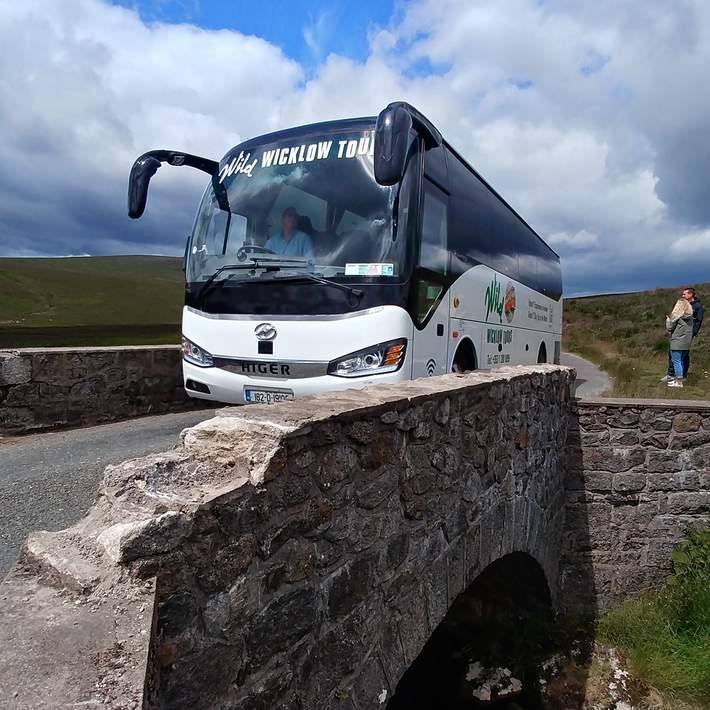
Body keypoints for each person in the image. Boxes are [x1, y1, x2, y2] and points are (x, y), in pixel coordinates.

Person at [662, 287, 704, 381]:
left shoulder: (697, 307)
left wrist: (692, 333)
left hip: (687, 334)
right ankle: (673, 374)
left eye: (685, 294)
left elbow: (698, 321)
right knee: (674, 353)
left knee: (682, 354)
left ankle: (680, 376)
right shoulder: (684, 305)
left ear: (691, 294)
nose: (683, 295)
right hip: (678, 333)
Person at [665, 297, 694, 388]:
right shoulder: (690, 317)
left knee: (676, 361)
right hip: (686, 342)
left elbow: (670, 328)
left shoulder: (678, 317)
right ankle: (679, 380)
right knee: (681, 361)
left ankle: (679, 382)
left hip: (677, 341)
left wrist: (668, 320)